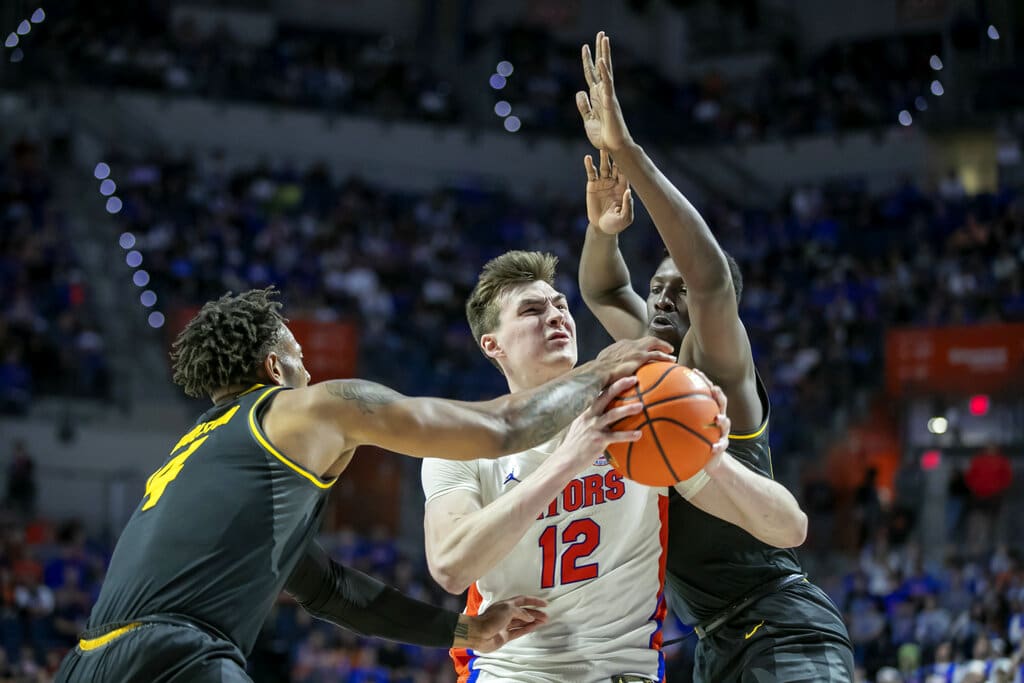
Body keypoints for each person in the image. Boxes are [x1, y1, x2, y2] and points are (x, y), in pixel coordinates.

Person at [55, 287, 673, 683]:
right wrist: (598, 371)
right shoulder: (308, 408)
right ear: (276, 369)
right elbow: (504, 424)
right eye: (301, 358)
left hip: (87, 662)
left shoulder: (203, 453)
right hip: (179, 657)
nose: (311, 372)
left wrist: (461, 631)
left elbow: (328, 590)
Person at [575, 31, 854, 682]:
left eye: (679, 289)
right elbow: (601, 286)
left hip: (782, 624)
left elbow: (709, 280)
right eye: (657, 285)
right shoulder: (651, 349)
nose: (664, 296)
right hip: (712, 646)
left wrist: (630, 155)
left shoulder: (719, 368)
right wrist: (600, 228)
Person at [422, 251, 808, 682]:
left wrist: (713, 458)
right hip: (514, 673)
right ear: (492, 344)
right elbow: (451, 567)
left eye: (560, 305)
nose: (555, 316)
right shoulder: (463, 442)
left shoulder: (633, 415)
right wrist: (571, 460)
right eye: (532, 310)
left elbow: (789, 527)